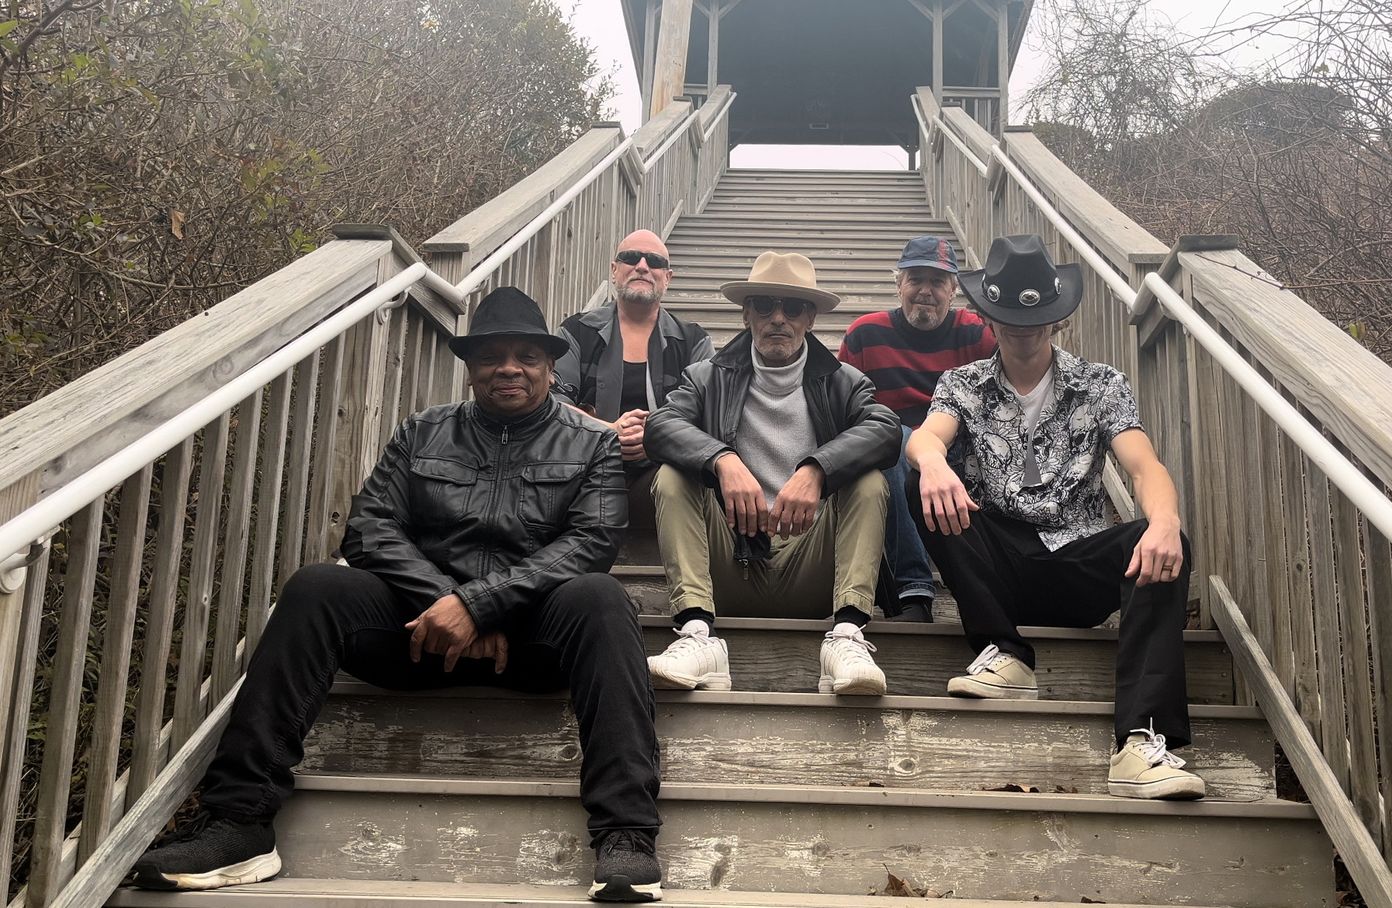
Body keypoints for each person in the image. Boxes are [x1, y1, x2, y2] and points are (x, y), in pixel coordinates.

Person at [129, 287, 666, 901]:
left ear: (550, 367)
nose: (508, 368)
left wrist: (481, 604)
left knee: (602, 597)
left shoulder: (593, 443)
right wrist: (446, 603)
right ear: (470, 367)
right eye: (491, 356)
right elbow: (369, 527)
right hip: (418, 636)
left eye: (526, 356)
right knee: (317, 586)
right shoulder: (423, 431)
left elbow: (592, 542)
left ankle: (626, 834)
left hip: (530, 645)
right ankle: (239, 822)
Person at [907, 235, 1205, 800]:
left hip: (1076, 564)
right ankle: (1006, 654)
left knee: (1165, 540)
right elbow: (926, 437)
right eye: (1009, 317)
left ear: (1058, 317)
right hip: (997, 566)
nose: (1023, 328)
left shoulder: (1100, 384)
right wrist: (933, 463)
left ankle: (1141, 744)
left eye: (1036, 317)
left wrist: (1165, 521)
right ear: (988, 318)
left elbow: (1144, 466)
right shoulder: (962, 384)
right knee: (916, 478)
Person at [642, 252, 900, 696]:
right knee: (671, 475)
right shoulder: (705, 377)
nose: (778, 318)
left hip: (810, 561)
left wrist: (817, 469)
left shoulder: (843, 381)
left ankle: (847, 637)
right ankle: (698, 635)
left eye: (793, 307)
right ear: (746, 314)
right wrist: (722, 459)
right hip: (731, 559)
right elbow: (660, 426)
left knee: (868, 481)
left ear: (811, 318)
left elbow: (887, 430)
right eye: (764, 305)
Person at [838, 235, 994, 622]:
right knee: (894, 437)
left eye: (937, 281)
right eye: (915, 279)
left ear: (953, 290)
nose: (925, 290)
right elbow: (842, 409)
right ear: (899, 285)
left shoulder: (976, 334)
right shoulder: (865, 334)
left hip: (962, 451)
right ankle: (914, 590)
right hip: (894, 453)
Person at [554, 229, 714, 520]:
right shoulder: (576, 332)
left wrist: (655, 438)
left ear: (668, 277)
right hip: (583, 467)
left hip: (660, 475)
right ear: (614, 270)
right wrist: (608, 431)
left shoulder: (693, 341)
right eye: (631, 257)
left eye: (654, 261)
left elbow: (710, 413)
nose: (642, 266)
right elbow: (551, 402)